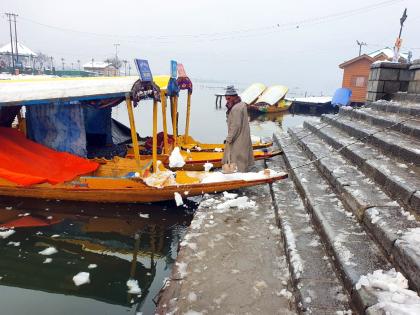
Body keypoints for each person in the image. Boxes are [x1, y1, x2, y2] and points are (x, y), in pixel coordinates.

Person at [222, 85, 254, 172]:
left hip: (238, 137)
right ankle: (242, 173)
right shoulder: (241, 105)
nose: (227, 101)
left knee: (236, 158)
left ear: (234, 97)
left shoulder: (236, 109)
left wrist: (229, 138)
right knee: (242, 156)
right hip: (243, 135)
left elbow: (235, 125)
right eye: (226, 99)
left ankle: (239, 177)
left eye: (228, 99)